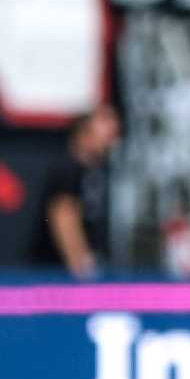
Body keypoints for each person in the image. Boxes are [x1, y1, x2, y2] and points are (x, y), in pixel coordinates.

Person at [31, 104, 118, 278]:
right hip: (57, 274)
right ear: (84, 130)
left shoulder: (100, 167)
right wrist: (81, 268)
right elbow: (64, 217)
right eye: (105, 120)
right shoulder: (68, 167)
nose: (114, 126)